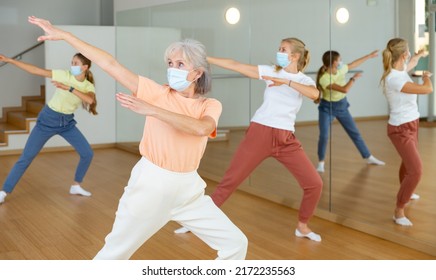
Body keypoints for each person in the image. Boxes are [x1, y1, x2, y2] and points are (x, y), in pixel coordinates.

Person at [28, 16, 247, 259]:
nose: (172, 68)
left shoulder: (210, 105)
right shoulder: (156, 92)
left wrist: (152, 110)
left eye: (180, 64)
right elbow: (109, 63)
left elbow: (201, 129)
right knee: (114, 255)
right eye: (170, 63)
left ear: (197, 73)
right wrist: (66, 36)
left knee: (236, 244)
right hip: (151, 185)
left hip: (189, 190)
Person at [176, 37, 324, 242]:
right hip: (260, 133)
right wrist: (204, 58)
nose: (279, 51)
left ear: (295, 56)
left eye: (283, 49)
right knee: (230, 180)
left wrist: (287, 82)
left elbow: (315, 94)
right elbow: (236, 65)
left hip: (286, 139)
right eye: (279, 47)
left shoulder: (304, 80)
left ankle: (303, 226)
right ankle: (196, 222)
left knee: (314, 183)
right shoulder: (272, 72)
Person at [0, 52, 97, 204]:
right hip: (47, 120)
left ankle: (76, 185)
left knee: (87, 153)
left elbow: (89, 99)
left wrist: (69, 88)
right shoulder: (64, 75)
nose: (72, 66)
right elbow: (36, 70)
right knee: (26, 157)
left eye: (75, 63)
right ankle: (3, 192)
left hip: (67, 123)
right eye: (71, 62)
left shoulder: (87, 86)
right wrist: (10, 61)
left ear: (85, 67)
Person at [380, 38, 432, 226]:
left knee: (408, 164)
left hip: (412, 124)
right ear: (402, 55)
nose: (410, 54)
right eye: (409, 51)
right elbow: (427, 89)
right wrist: (427, 76)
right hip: (400, 129)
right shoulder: (394, 78)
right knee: (416, 170)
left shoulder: (400, 71)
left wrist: (418, 55)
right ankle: (399, 210)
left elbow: (410, 64)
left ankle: (407, 193)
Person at [315, 50, 385, 173]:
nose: (341, 61)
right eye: (339, 59)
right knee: (324, 136)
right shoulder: (324, 79)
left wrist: (368, 56)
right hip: (327, 108)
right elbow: (344, 90)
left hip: (342, 106)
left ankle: (368, 156)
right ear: (334, 62)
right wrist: (353, 79)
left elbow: (353, 64)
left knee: (355, 133)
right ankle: (321, 163)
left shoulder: (341, 70)